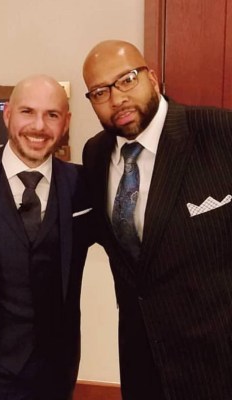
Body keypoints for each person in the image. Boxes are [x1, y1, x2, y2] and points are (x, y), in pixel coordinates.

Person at [82, 39, 232, 400]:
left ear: (151, 77)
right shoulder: (95, 154)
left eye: (127, 80)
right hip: (141, 360)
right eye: (100, 92)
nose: (117, 98)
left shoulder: (220, 132)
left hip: (219, 361)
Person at [0, 75, 93, 400]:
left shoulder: (82, 185)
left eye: (52, 115)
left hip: (55, 372)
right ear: (8, 114)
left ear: (66, 122)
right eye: (27, 111)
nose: (39, 126)